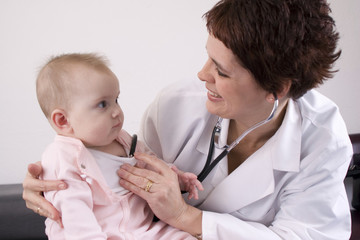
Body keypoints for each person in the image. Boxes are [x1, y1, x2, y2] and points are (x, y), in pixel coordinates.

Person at [23, 0, 353, 239]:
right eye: (209, 57)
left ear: (276, 89)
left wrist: (185, 216)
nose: (202, 75)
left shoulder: (321, 139)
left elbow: (302, 237)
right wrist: (60, 184)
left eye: (221, 71)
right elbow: (128, 176)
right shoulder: (177, 104)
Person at [33, 53, 202, 239]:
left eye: (116, 100)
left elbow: (153, 166)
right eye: (102, 104)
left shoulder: (123, 140)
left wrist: (178, 179)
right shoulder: (62, 158)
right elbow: (75, 218)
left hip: (143, 231)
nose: (116, 112)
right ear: (63, 120)